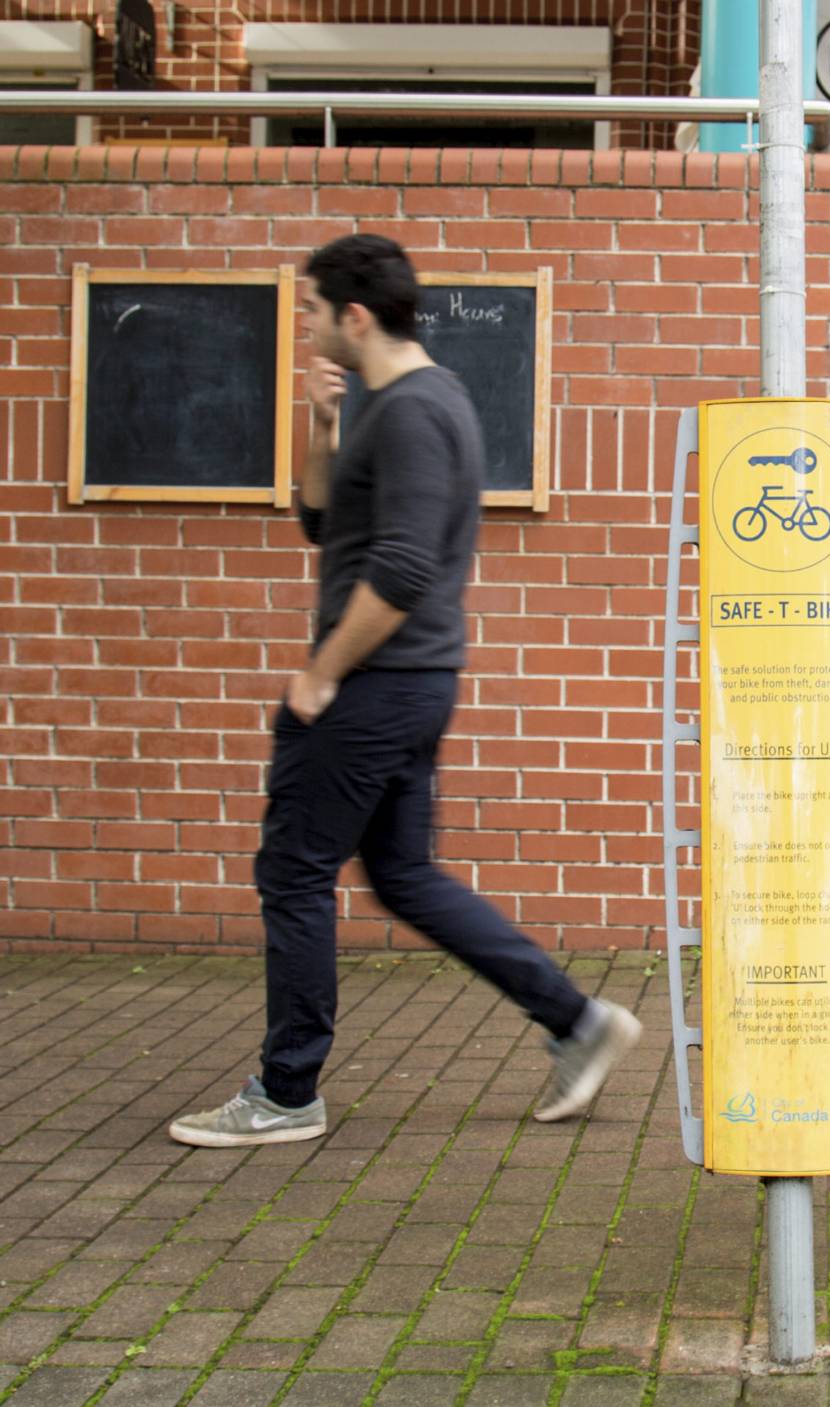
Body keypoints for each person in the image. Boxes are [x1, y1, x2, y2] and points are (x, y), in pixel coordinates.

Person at [170, 234, 639, 1148]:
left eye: (311, 312)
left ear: (355, 316)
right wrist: (319, 426)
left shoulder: (420, 411)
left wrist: (321, 674)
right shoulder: (385, 406)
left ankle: (285, 1091)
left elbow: (402, 568)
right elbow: (323, 523)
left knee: (294, 872)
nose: (304, 329)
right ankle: (577, 1022)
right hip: (403, 685)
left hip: (376, 687)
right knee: (402, 874)